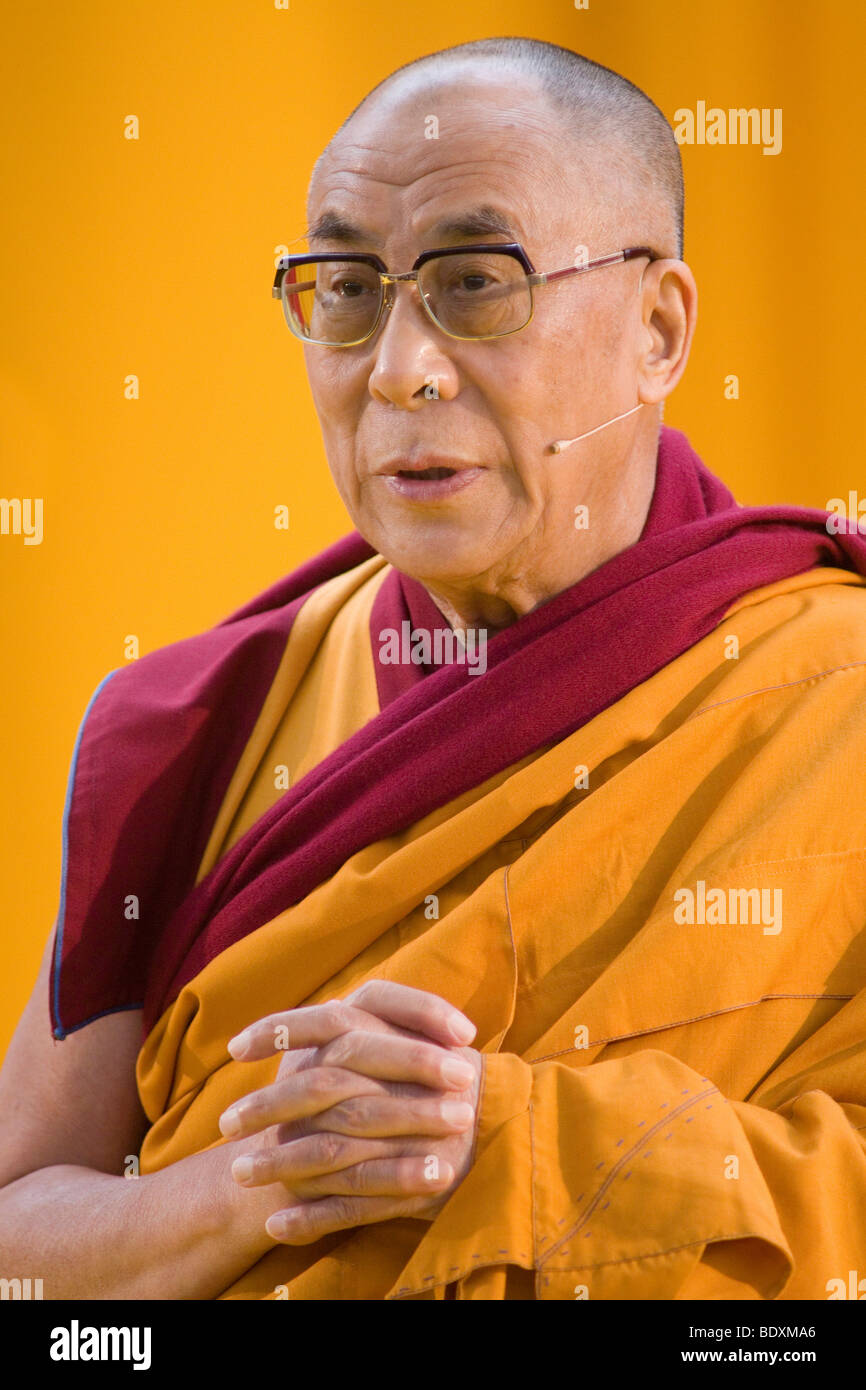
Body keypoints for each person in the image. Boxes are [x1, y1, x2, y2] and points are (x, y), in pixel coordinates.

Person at [2, 35, 866, 1302]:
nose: (399, 367)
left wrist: (516, 1149)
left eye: (474, 282)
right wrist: (264, 1172)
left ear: (657, 329)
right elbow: (21, 1243)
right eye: (345, 288)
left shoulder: (828, 698)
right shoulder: (203, 723)